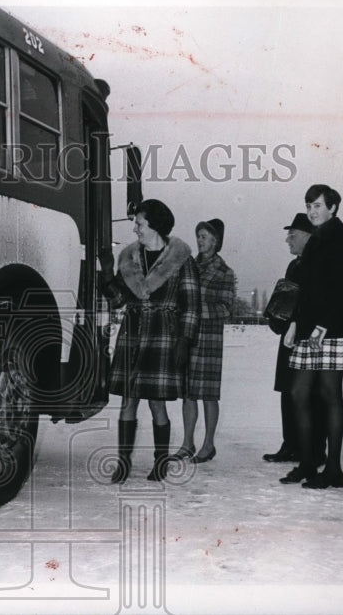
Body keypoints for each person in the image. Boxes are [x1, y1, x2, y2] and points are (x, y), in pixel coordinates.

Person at [99, 199, 201, 483]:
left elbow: (191, 305)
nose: (135, 229)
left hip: (164, 336)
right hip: (132, 334)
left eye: (139, 223)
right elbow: (118, 301)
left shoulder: (181, 259)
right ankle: (123, 463)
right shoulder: (130, 258)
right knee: (128, 402)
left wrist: (184, 340)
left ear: (154, 225)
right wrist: (107, 274)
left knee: (158, 404)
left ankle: (160, 462)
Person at [281, 185, 343, 489]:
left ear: (333, 208)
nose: (312, 211)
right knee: (299, 393)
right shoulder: (314, 242)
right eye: (309, 206)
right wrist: (295, 324)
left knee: (329, 394)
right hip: (310, 329)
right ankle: (308, 461)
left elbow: (342, 290)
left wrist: (321, 328)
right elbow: (307, 292)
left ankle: (334, 469)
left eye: (317, 206)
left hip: (333, 329)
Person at [263, 213, 326, 466]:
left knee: (310, 394)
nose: (288, 239)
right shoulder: (295, 265)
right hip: (289, 339)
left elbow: (317, 304)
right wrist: (277, 316)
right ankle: (290, 445)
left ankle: (313, 450)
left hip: (309, 339)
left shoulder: (319, 263)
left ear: (309, 236)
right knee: (288, 391)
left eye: (293, 234)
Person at [175, 218, 235, 464]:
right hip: (187, 336)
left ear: (216, 241)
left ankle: (208, 444)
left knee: (209, 394)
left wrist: (198, 311)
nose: (199, 240)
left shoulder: (225, 272)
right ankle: (187, 443)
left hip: (209, 338)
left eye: (204, 236)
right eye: (198, 235)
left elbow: (227, 308)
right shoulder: (186, 266)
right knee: (188, 392)